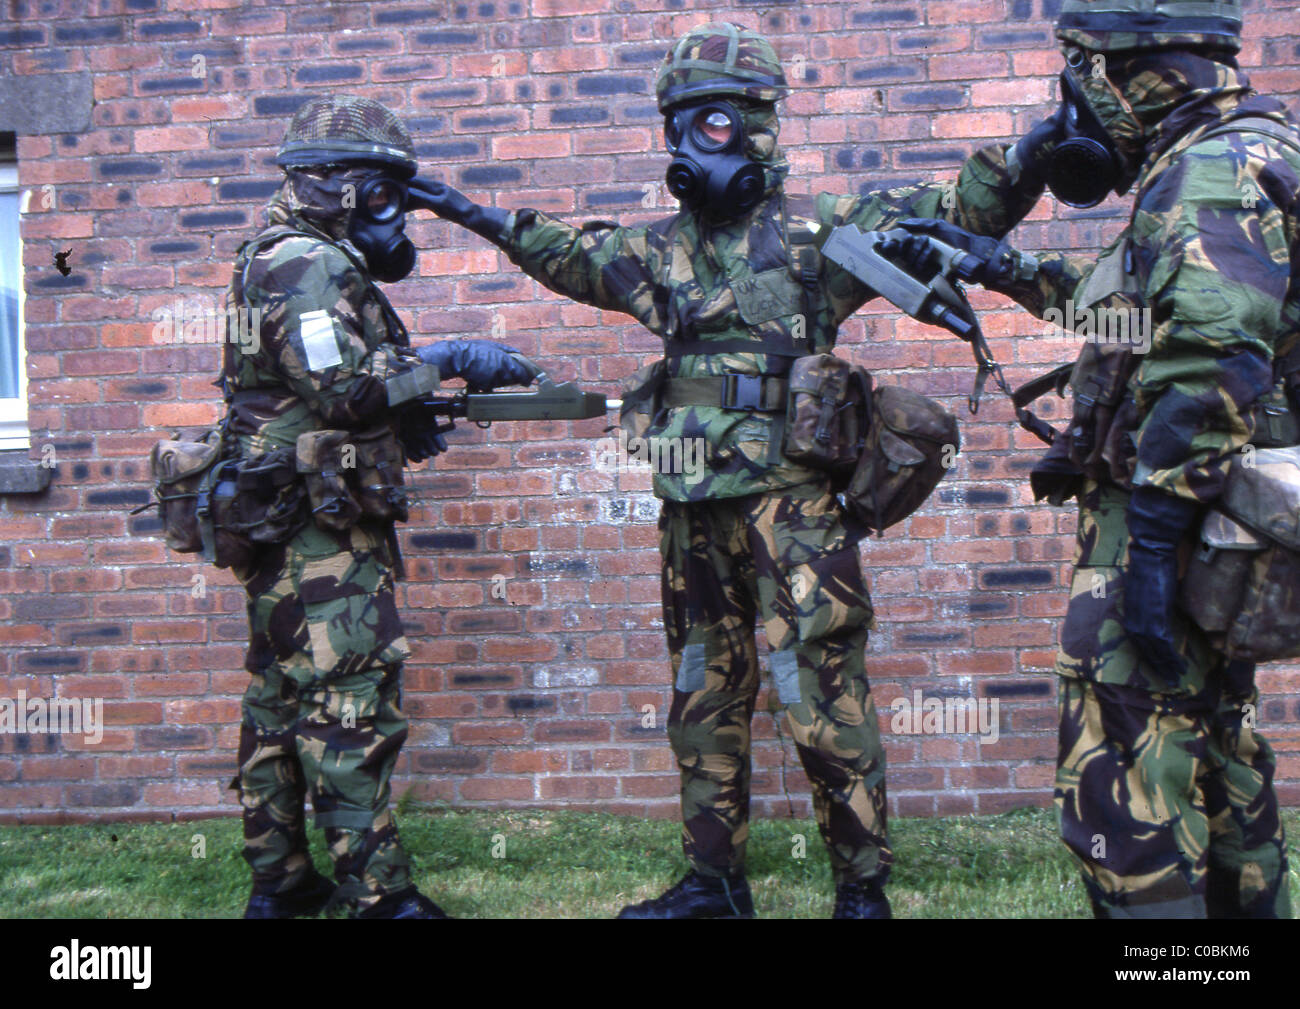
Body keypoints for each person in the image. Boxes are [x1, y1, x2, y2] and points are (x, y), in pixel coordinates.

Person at [413, 22, 1063, 918]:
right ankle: (714, 883)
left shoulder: (824, 236)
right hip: (690, 502)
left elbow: (957, 210)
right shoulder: (657, 252)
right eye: (676, 127)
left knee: (818, 686)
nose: (688, 147)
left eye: (709, 125)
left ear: (758, 126)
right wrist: (458, 207)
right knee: (703, 689)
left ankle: (861, 886)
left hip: (791, 508)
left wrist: (1028, 154)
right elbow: (565, 254)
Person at [895, 0, 1298, 917]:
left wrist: (1151, 549)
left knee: (1121, 799)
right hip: (1209, 522)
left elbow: (1208, 358)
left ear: (1122, 72)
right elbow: (1146, 316)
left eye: (1078, 78)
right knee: (1219, 767)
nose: (1072, 107)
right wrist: (998, 264)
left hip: (1174, 522)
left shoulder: (1208, 171)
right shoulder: (1236, 152)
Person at [221, 95, 532, 918]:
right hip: (315, 530)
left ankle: (280, 884)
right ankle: (378, 896)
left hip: (281, 514)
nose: (397, 212)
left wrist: (416, 389)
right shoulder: (307, 262)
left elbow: (320, 390)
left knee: (279, 702)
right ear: (343, 187)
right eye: (387, 190)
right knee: (348, 700)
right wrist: (453, 357)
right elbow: (347, 390)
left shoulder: (279, 253)